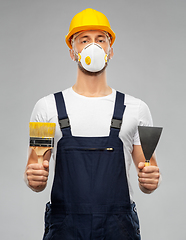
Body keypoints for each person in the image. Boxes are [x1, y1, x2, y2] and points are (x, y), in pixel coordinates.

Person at [24, 8, 161, 240]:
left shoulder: (138, 109)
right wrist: (34, 178)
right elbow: (35, 172)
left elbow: (149, 174)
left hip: (118, 229)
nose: (93, 46)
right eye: (83, 40)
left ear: (111, 50)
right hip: (65, 229)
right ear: (72, 51)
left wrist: (150, 180)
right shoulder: (46, 108)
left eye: (101, 39)